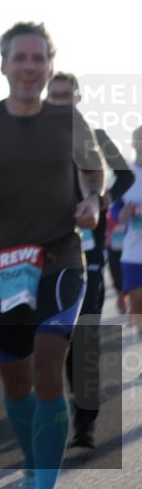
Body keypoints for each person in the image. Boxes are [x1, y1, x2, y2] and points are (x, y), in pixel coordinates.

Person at [0, 22, 104, 489]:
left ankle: (43, 482)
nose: (29, 67)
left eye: (38, 59)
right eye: (20, 58)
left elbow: (93, 174)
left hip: (60, 256)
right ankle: (33, 464)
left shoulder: (68, 120)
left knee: (49, 367)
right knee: (16, 381)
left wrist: (91, 202)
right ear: (3, 65)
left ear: (50, 66)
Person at [46, 72, 135, 449]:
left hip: (88, 250)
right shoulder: (37, 139)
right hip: (44, 250)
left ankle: (84, 423)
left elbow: (127, 176)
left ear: (78, 98)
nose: (61, 101)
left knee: (84, 333)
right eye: (56, 96)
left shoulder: (95, 136)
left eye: (67, 95)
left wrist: (98, 201)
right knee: (47, 338)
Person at [112, 126, 142, 341]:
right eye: (139, 139)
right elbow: (114, 212)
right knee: (138, 307)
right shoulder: (126, 175)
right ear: (133, 143)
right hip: (133, 253)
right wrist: (125, 212)